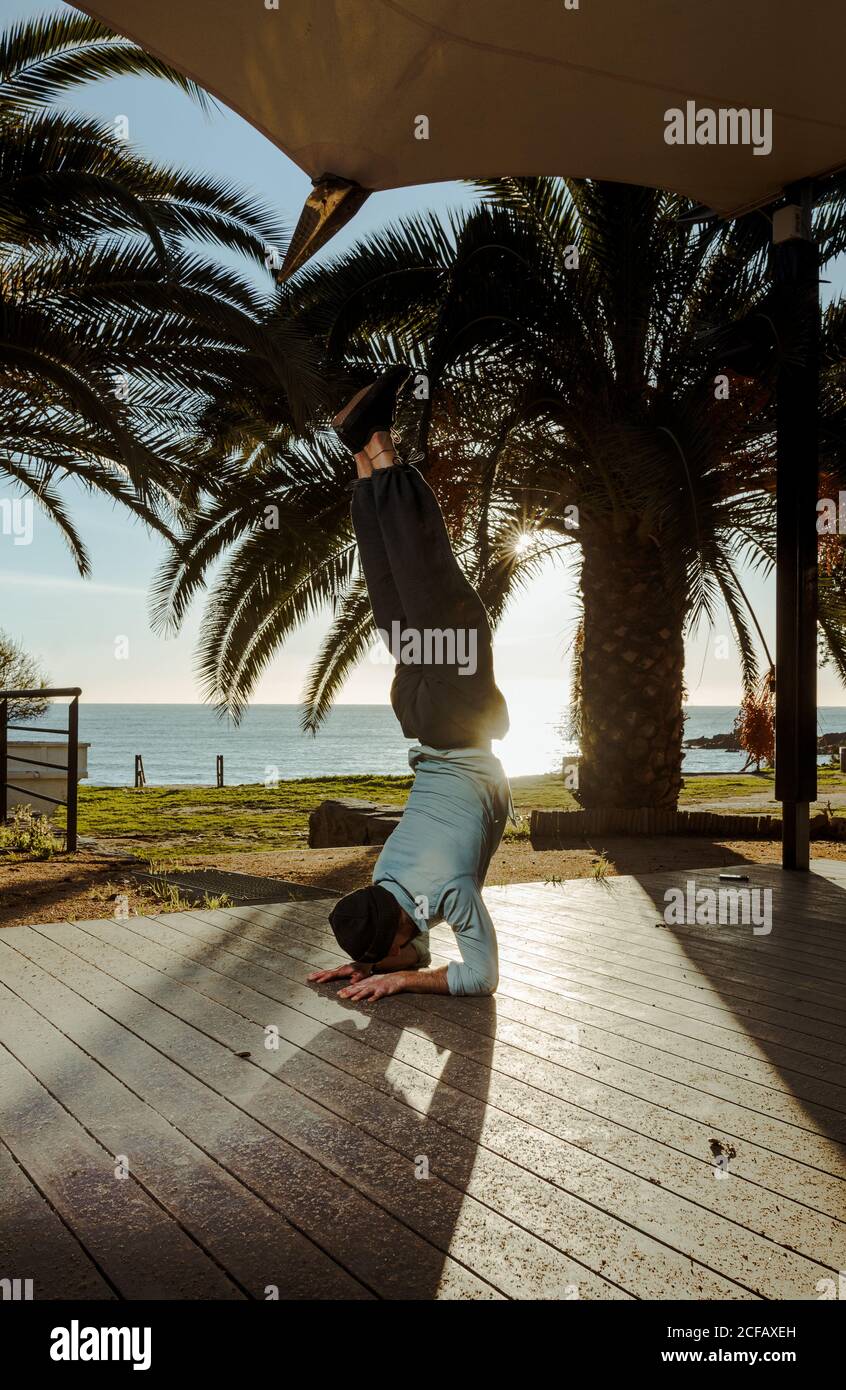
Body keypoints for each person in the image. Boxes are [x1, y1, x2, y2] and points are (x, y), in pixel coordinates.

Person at [307, 368, 512, 1003]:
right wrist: (374, 965)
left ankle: (379, 442)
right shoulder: (386, 878)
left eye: (396, 954)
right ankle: (367, 462)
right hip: (420, 715)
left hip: (455, 717)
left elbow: (480, 979)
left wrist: (394, 975)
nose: (409, 960)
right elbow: (414, 939)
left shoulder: (449, 890)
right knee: (395, 595)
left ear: (397, 934)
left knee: (431, 585)